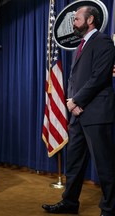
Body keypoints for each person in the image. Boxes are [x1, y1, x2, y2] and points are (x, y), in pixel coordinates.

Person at [42, 6, 115, 216]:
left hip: (96, 113)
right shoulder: (80, 46)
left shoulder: (103, 41)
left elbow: (99, 77)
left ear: (90, 19)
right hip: (78, 115)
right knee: (73, 163)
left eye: (76, 19)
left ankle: (109, 209)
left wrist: (75, 101)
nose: (73, 22)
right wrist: (73, 104)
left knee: (105, 165)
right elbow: (77, 79)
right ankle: (70, 203)